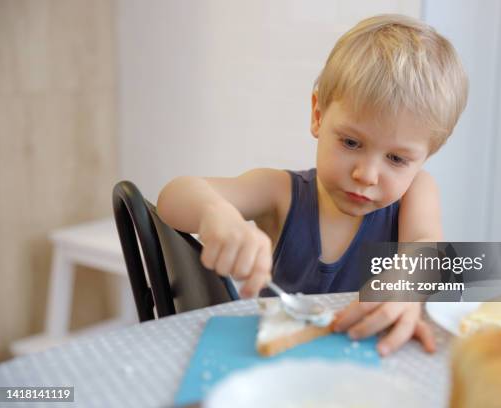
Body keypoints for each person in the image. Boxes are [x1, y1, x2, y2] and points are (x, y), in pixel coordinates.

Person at [157, 14, 468, 356]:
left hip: (370, 366)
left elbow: (428, 247)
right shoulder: (280, 192)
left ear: (426, 156)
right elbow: (173, 197)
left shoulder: (416, 193)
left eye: (396, 159)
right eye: (351, 142)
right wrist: (214, 213)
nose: (367, 174)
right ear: (318, 115)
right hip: (279, 365)